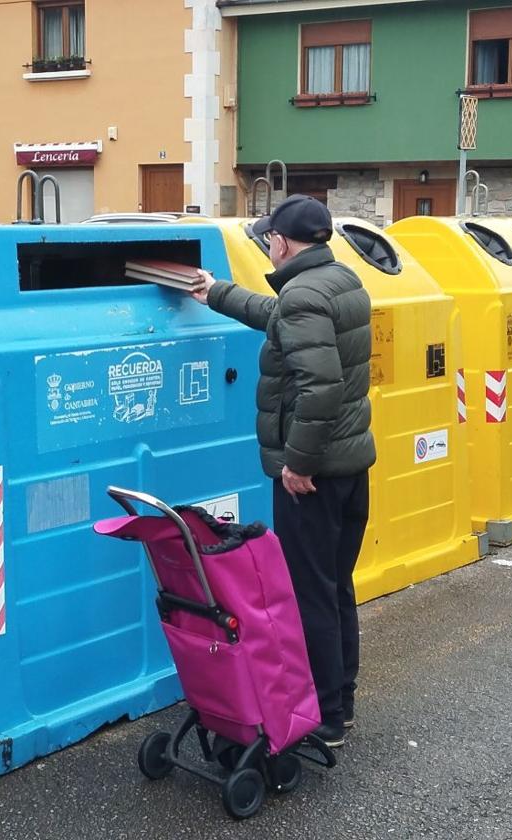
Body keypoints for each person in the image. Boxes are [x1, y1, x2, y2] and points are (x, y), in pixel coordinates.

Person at [188, 195, 376, 748]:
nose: (268, 243)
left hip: (313, 475)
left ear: (282, 242)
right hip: (350, 467)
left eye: (270, 237)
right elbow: (282, 321)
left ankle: (326, 715)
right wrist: (215, 292)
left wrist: (298, 461)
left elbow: (320, 387)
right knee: (335, 585)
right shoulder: (339, 281)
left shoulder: (302, 296)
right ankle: (342, 698)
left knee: (308, 592)